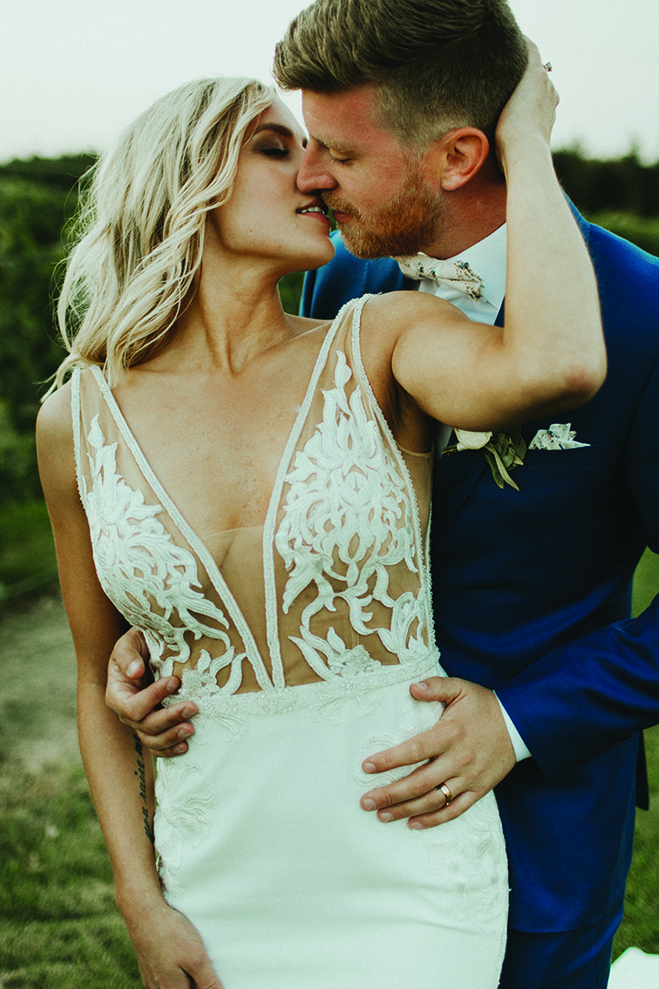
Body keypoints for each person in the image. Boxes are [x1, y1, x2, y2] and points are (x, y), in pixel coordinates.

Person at [106, 1, 659, 987]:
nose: (309, 180)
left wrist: (520, 719)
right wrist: (156, 631)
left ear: (455, 157)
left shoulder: (640, 315)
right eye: (298, 147)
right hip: (311, 814)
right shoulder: (331, 278)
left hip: (536, 803)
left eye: (336, 155)